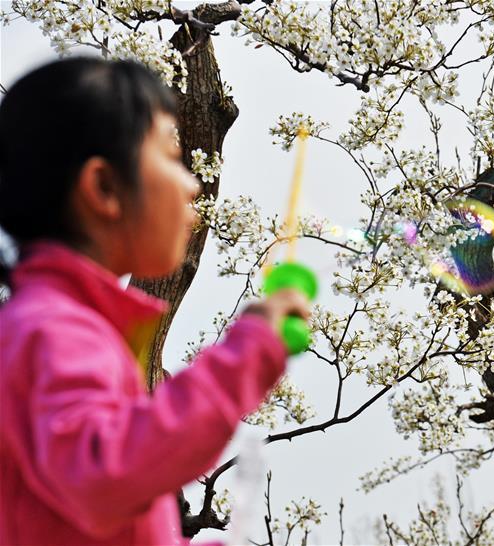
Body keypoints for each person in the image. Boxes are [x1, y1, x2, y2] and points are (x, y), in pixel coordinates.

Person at [0, 57, 309, 544]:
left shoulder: (52, 327)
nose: (191, 182)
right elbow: (105, 473)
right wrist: (245, 355)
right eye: (171, 156)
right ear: (104, 188)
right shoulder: (54, 330)